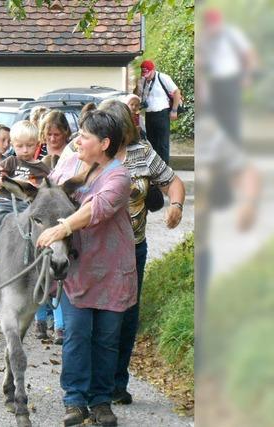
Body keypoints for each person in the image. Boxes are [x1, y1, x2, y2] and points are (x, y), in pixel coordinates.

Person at [37, 109, 136, 427]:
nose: (77, 140)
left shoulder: (119, 176)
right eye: (78, 134)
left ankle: (102, 401)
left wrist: (62, 226)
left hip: (111, 269)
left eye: (85, 136)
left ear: (105, 143)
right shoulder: (67, 165)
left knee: (107, 339)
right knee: (77, 335)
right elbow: (46, 197)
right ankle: (75, 400)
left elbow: (97, 208)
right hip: (77, 268)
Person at [96, 99, 186, 405]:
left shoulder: (142, 153)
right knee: (98, 317)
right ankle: (95, 384)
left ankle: (117, 382)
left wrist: (175, 205)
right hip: (96, 252)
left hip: (132, 250)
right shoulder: (92, 152)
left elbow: (173, 182)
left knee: (126, 316)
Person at [0, 120, 51, 270]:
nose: (24, 150)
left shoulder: (42, 168)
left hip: (27, 203)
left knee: (38, 222)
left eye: (29, 146)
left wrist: (37, 186)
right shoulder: (11, 161)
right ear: (13, 145)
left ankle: (36, 251)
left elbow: (45, 186)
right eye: (19, 146)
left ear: (37, 144)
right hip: (6, 200)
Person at [199, 8, 259, 144]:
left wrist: (247, 75)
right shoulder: (205, 38)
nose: (210, 29)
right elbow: (202, 63)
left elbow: (249, 53)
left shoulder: (231, 33)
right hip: (215, 82)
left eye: (212, 25)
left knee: (231, 117)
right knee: (218, 118)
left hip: (232, 79)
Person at [134, 59, 182, 164]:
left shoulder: (163, 78)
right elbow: (137, 95)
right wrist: (138, 85)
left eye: (147, 73)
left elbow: (177, 92)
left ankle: (165, 168)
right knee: (151, 143)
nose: (146, 76)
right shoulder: (143, 80)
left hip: (162, 114)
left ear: (153, 70)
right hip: (149, 114)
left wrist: (174, 111)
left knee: (163, 144)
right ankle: (155, 167)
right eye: (143, 73)